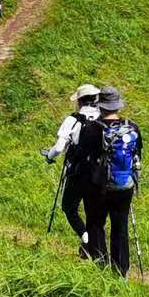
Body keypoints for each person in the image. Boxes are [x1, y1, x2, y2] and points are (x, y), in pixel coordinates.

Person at [75, 86, 142, 276]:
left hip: (98, 187)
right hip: (125, 185)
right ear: (117, 106)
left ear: (100, 106)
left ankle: (101, 266)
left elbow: (83, 157)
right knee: (120, 227)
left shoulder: (92, 129)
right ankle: (121, 272)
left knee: (96, 224)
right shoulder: (132, 127)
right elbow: (138, 153)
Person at [41, 83, 102, 255]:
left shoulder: (73, 119)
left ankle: (86, 239)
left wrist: (49, 157)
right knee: (94, 211)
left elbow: (59, 148)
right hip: (98, 173)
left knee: (69, 207)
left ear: (80, 102)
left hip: (77, 172)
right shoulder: (103, 119)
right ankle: (96, 248)